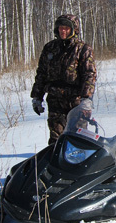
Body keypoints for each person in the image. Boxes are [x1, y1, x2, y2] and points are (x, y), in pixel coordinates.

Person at [31, 14, 97, 145]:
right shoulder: (50, 48)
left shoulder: (83, 49)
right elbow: (41, 74)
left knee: (78, 138)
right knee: (56, 140)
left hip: (76, 101)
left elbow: (89, 75)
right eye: (61, 28)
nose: (63, 31)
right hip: (55, 100)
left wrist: (86, 99)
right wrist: (37, 97)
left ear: (74, 30)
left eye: (67, 28)